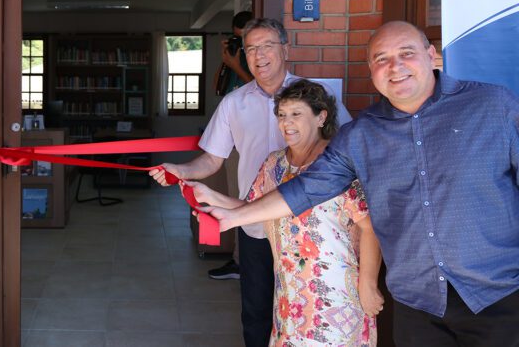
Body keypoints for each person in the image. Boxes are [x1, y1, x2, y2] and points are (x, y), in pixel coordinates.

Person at [200, 21, 519, 346]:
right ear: (371, 69)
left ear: (431, 54)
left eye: (406, 53)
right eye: (381, 58)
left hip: (495, 297)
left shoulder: (493, 106)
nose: (394, 66)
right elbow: (307, 188)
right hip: (417, 304)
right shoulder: (361, 134)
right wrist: (233, 216)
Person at [150, 18, 352, 347]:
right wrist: (180, 170)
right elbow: (212, 158)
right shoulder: (234, 102)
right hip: (255, 223)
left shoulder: (317, 95)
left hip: (310, 232)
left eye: (267, 46)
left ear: (285, 49)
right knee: (256, 311)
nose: (258, 55)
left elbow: (346, 150)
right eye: (251, 48)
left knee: (309, 313)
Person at [189, 79, 382, 346]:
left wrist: (368, 285)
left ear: (321, 117)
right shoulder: (274, 163)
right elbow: (253, 209)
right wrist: (211, 197)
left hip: (337, 292)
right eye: (281, 115)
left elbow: (370, 227)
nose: (286, 123)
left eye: (296, 114)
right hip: (290, 293)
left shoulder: (338, 161)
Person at [210, 10, 254, 281]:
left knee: (246, 201)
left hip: (252, 140)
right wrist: (226, 62)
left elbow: (261, 92)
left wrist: (238, 66)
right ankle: (239, 260)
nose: (241, 46)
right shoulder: (236, 60)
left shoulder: (257, 64)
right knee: (235, 199)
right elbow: (218, 88)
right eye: (237, 40)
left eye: (244, 41)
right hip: (234, 139)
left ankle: (243, 262)